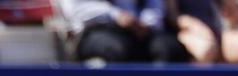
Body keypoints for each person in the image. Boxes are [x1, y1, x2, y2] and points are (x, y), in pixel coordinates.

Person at [59, 0, 189, 63]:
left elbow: (153, 6)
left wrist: (146, 22)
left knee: (169, 47)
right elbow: (75, 10)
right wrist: (116, 15)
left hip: (141, 30)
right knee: (116, 49)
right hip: (96, 30)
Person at [173, 0, 238, 64]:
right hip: (186, 31)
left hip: (214, 31)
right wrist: (193, 25)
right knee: (206, 50)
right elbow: (172, 15)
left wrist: (231, 9)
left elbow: (232, 12)